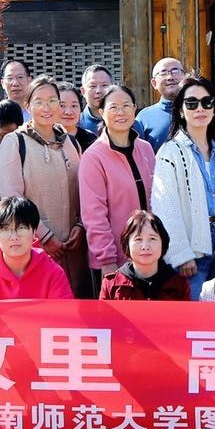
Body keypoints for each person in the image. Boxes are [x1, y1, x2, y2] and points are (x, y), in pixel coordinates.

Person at [0, 74, 88, 293]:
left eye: (52, 101)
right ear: (27, 106)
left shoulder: (70, 142)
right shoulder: (15, 142)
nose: (46, 108)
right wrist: (44, 235)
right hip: (36, 246)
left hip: (74, 245)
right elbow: (12, 199)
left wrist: (80, 225)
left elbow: (85, 191)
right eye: (39, 102)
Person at [152, 76, 215, 293]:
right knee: (194, 310)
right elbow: (165, 206)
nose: (200, 108)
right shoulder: (170, 152)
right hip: (192, 250)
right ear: (180, 110)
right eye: (191, 103)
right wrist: (180, 253)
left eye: (207, 102)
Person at [78, 82, 157, 280]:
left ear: (134, 109)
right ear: (102, 113)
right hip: (115, 259)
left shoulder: (146, 149)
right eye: (113, 107)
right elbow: (94, 215)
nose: (120, 112)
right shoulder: (94, 156)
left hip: (150, 253)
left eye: (126, 105)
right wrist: (107, 259)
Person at [0, 197, 76, 300]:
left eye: (21, 228)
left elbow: (63, 313)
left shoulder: (52, 272)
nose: (14, 237)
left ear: (34, 233)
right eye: (6, 229)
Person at [98, 210, 190, 301]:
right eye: (138, 239)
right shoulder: (111, 284)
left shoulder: (179, 283)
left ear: (163, 243)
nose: (145, 247)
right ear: (127, 244)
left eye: (152, 239)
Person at [134, 57, 186, 148]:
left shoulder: (200, 110)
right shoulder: (144, 117)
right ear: (154, 83)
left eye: (175, 71)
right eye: (163, 73)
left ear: (185, 77)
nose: (170, 77)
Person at [55, 85, 99, 152]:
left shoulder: (91, 139)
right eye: (62, 105)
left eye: (74, 106)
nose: (68, 112)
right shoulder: (44, 138)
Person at [79, 63, 115, 133]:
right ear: (83, 91)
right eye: (93, 86)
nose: (98, 91)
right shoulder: (75, 123)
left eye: (104, 85)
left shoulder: (127, 122)